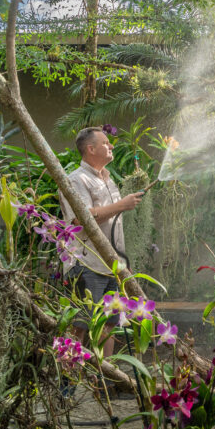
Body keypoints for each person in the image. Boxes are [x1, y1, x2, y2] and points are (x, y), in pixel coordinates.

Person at [59, 126, 144, 358]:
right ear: (91, 148)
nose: (111, 146)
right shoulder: (76, 180)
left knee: (109, 324)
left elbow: (113, 228)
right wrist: (121, 205)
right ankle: (66, 388)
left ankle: (104, 378)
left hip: (111, 266)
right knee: (80, 325)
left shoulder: (108, 179)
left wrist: (123, 262)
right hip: (87, 264)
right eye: (106, 143)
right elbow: (81, 218)